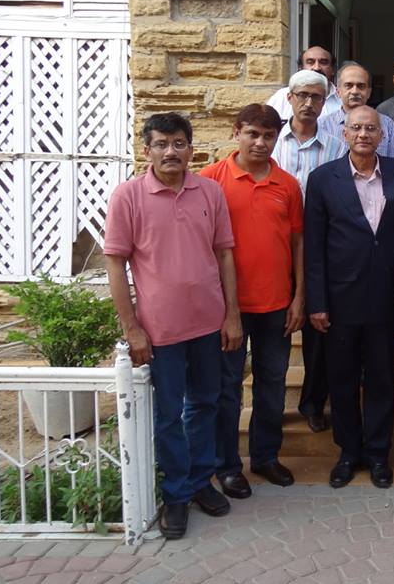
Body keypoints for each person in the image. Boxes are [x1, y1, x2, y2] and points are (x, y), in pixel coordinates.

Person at [104, 113, 242, 540]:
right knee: (168, 416)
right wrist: (133, 329)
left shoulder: (210, 192)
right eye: (162, 143)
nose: (171, 152)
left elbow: (224, 255)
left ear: (190, 148)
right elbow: (115, 263)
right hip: (160, 332)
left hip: (208, 325)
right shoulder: (128, 197)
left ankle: (201, 482)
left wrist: (231, 315)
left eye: (179, 143)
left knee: (205, 404)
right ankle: (177, 494)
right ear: (147, 149)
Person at [305, 106, 394, 489]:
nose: (364, 134)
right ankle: (349, 453)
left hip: (385, 299)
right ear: (344, 133)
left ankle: (379, 454)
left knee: (383, 379)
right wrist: (316, 302)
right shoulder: (322, 179)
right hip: (339, 301)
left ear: (382, 135)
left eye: (371, 128)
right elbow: (313, 246)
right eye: (356, 128)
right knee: (343, 380)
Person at [200, 104, 305, 497]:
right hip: (227, 307)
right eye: (253, 134)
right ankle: (226, 465)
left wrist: (299, 297)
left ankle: (265, 456)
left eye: (268, 136)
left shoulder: (288, 185)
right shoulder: (211, 181)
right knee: (226, 387)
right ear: (236, 132)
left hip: (276, 304)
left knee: (272, 385)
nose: (260, 143)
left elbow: (298, 242)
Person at [272, 69, 346, 434]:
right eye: (301, 95)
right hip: (273, 249)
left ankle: (314, 402)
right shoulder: (271, 143)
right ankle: (270, 406)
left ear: (325, 102)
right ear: (289, 98)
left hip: (319, 251)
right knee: (274, 331)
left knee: (319, 333)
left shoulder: (337, 146)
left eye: (316, 97)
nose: (308, 103)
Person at [319, 61, 394, 160]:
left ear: (369, 92)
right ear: (338, 92)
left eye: (361, 86)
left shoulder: (387, 125)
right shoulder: (322, 125)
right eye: (348, 85)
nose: (355, 91)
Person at [267, 45, 342, 123]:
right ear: (300, 68)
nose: (317, 67)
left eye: (323, 62)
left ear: (333, 69)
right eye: (310, 62)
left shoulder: (342, 100)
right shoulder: (282, 97)